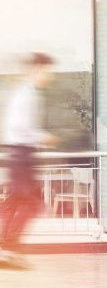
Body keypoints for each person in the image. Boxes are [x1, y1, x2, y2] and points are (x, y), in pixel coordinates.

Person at [0, 52, 58, 269]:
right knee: (32, 203)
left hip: (20, 154)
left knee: (14, 201)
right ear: (37, 69)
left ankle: (6, 249)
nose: (49, 77)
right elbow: (19, 127)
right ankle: (9, 248)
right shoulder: (26, 94)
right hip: (21, 153)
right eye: (47, 71)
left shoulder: (27, 92)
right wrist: (42, 137)